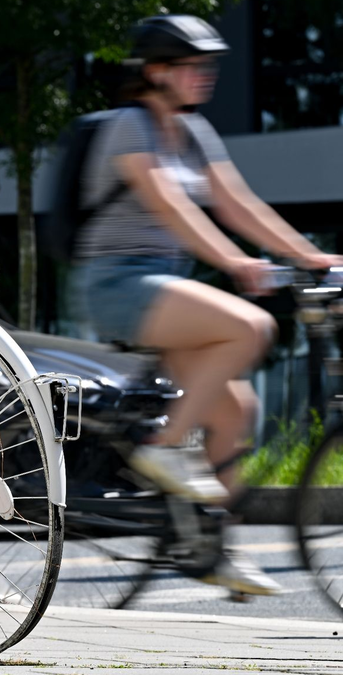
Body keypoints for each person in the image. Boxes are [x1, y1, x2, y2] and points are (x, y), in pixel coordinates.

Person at [72, 15, 341, 595]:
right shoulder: (130, 126)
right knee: (250, 326)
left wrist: (313, 257)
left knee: (235, 410)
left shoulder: (193, 134)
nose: (205, 75)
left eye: (207, 65)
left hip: (165, 290)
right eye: (193, 66)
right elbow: (172, 208)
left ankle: (214, 546)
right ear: (157, 72)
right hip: (117, 284)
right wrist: (237, 264)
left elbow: (238, 204)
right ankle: (164, 447)